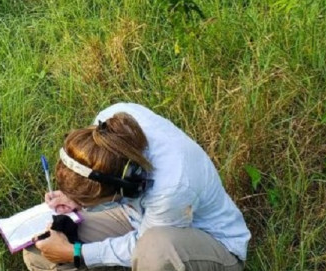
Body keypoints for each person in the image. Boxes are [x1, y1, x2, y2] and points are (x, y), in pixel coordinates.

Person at [24, 103, 251, 271]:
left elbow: (144, 244)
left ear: (124, 185)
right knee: (39, 248)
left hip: (211, 247)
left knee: (155, 253)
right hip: (137, 220)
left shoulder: (173, 185)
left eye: (88, 203)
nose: (83, 206)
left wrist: (75, 253)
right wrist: (75, 198)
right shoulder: (106, 128)